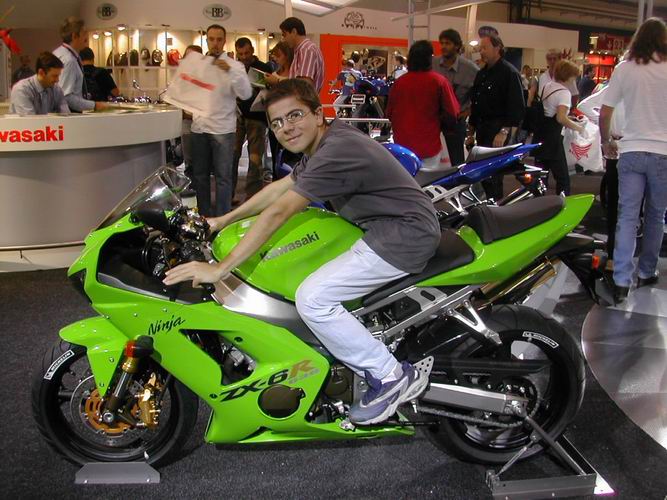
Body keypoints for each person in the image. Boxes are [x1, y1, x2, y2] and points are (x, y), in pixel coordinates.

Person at [163, 79, 437, 425]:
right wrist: (222, 220)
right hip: (384, 228)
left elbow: (280, 211)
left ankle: (390, 376)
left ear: (319, 114)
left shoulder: (336, 150)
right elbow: (279, 189)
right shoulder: (324, 146)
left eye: (294, 116)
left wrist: (220, 270)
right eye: (277, 122)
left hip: (404, 235)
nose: (286, 128)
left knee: (314, 298)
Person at [599, 17, 667, 303]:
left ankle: (621, 280)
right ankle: (647, 271)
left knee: (627, 216)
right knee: (655, 215)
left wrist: (606, 141)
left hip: (631, 151)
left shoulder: (624, 69)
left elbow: (605, 111)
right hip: (663, 153)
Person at [190, 24, 252, 217]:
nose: (215, 43)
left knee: (223, 178)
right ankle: (204, 217)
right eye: (211, 39)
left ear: (225, 41)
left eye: (219, 39)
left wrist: (230, 72)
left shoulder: (235, 67)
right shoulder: (199, 64)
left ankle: (223, 219)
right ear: (206, 40)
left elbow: (246, 93)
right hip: (199, 128)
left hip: (223, 130)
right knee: (200, 176)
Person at [468, 34, 525, 200]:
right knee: (482, 171)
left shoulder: (509, 73)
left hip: (498, 129)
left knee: (494, 174)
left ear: (497, 48)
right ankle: (486, 203)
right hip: (482, 128)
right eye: (480, 48)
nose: (481, 51)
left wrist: (504, 131)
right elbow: (476, 103)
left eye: (484, 48)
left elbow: (516, 106)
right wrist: (471, 131)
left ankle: (496, 205)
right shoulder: (482, 73)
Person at [387, 40, 459, 168]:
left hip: (403, 147)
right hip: (429, 146)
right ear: (429, 58)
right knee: (429, 179)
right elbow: (452, 112)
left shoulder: (399, 83)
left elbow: (389, 113)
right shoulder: (439, 82)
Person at [533, 60, 584, 196]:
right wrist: (578, 127)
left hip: (541, 133)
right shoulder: (564, 93)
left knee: (541, 175)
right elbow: (560, 118)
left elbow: (550, 110)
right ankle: (562, 204)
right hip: (553, 138)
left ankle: (538, 203)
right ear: (569, 76)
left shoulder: (548, 86)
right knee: (562, 178)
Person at [232, 37, 274, 202]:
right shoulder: (235, 69)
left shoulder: (264, 68)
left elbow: (271, 90)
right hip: (237, 116)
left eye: (247, 53)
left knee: (255, 159)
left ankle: (252, 198)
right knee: (232, 156)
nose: (244, 57)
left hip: (257, 118)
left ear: (252, 51)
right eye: (241, 54)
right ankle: (228, 195)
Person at [432, 28, 479, 166]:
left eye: (447, 43)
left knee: (456, 160)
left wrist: (469, 111)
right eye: (442, 43)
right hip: (434, 119)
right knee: (430, 157)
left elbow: (480, 94)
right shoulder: (432, 64)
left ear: (457, 46)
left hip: (456, 120)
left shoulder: (470, 69)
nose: (443, 46)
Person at [53, 17, 107, 112]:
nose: (87, 37)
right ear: (74, 36)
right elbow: (66, 96)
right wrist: (94, 105)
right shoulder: (69, 61)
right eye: (84, 33)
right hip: (70, 115)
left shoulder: (58, 53)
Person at [265, 17, 323, 91]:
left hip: (303, 98)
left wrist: (277, 81)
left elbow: (304, 85)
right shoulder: (302, 50)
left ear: (294, 32)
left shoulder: (306, 50)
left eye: (284, 35)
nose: (284, 39)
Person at [181, 45, 203, 176]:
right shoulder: (182, 77)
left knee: (202, 163)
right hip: (187, 123)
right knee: (189, 161)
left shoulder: (207, 77)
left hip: (203, 125)